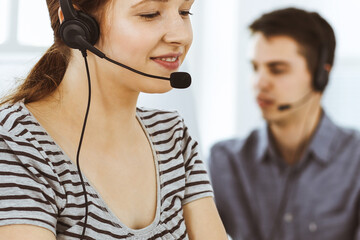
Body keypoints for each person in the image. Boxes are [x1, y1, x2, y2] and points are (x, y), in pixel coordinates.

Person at [0, 0, 227, 239]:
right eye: (149, 14)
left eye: (184, 12)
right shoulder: (16, 147)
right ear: (78, 25)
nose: (181, 35)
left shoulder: (172, 136)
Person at [209, 7, 360, 240]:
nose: (259, 83)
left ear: (321, 75)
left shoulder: (355, 160)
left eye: (277, 69)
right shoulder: (225, 160)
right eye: (255, 68)